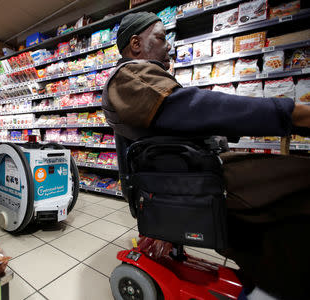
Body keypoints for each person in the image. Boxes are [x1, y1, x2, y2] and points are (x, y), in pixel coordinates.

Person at [102, 12, 310, 300]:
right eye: (161, 38)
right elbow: (198, 108)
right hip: (194, 180)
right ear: (136, 44)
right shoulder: (129, 75)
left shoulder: (138, 75)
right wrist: (290, 114)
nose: (169, 47)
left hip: (191, 173)